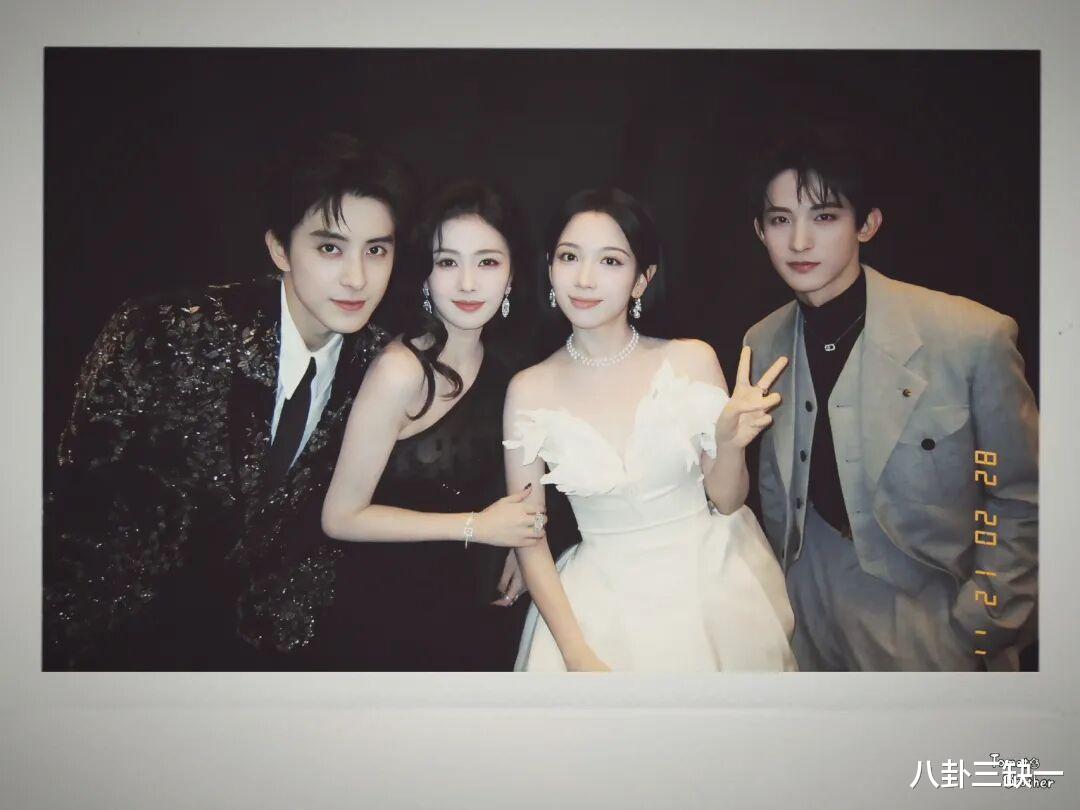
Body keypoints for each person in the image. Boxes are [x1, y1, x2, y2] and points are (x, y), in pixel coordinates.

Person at [43, 132, 413, 669]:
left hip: (266, 657)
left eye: (376, 250)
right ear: (279, 248)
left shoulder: (385, 367)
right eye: (330, 248)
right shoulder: (164, 332)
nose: (357, 278)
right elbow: (71, 500)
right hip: (111, 642)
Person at [742, 132, 1039, 671]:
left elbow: (1021, 497)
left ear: (867, 224)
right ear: (760, 231)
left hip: (929, 616)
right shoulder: (761, 343)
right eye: (781, 220)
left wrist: (980, 626)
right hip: (803, 617)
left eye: (825, 216)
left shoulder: (970, 336)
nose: (800, 242)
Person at [502, 187, 797, 671]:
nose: (584, 278)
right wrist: (575, 652)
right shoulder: (528, 389)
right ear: (549, 268)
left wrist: (729, 444)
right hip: (598, 605)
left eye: (610, 261)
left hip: (710, 588)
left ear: (642, 280)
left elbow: (727, 500)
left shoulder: (691, 359)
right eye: (570, 256)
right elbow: (528, 537)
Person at [320, 180, 540, 670]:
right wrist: (477, 528)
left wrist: (518, 551)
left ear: (511, 276)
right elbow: (339, 517)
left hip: (467, 608)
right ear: (424, 276)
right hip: (383, 614)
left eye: (487, 262)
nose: (467, 284)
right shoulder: (400, 371)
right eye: (447, 262)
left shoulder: (507, 368)